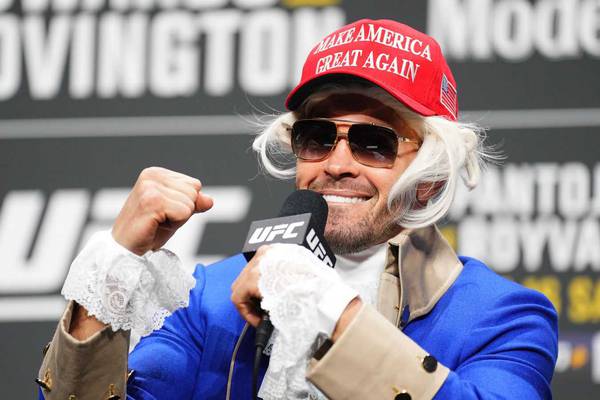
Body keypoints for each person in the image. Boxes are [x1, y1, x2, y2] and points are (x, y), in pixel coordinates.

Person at [37, 19, 558, 400]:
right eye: (316, 137)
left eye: (374, 143)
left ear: (432, 175)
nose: (337, 163)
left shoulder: (502, 316)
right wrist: (113, 267)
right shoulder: (212, 298)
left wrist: (326, 304)